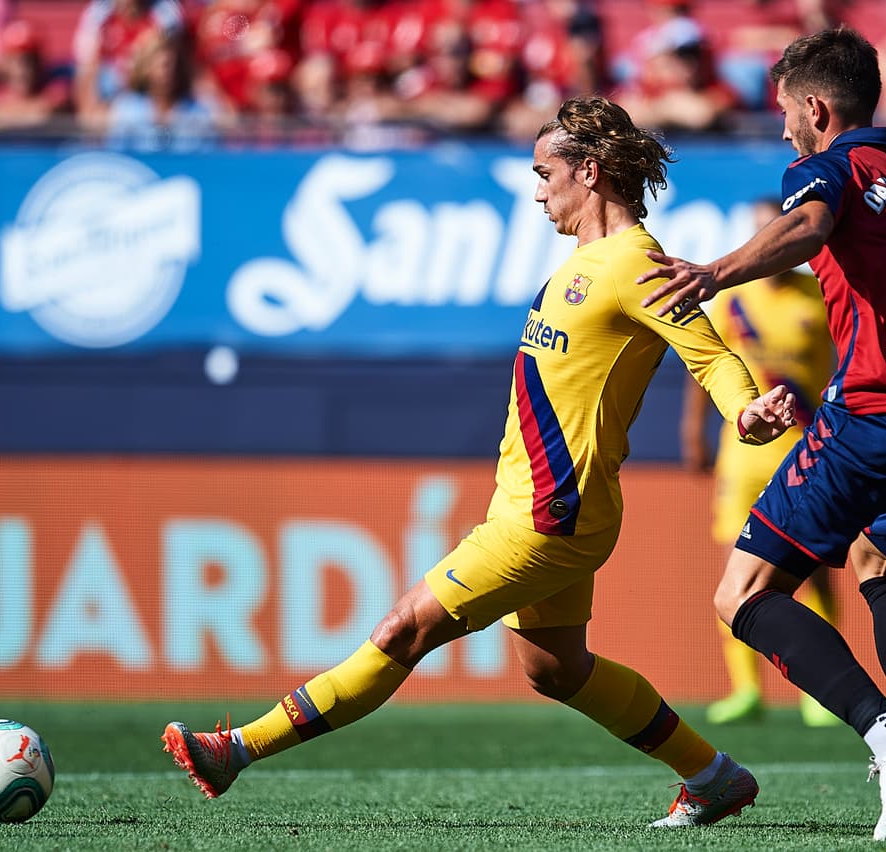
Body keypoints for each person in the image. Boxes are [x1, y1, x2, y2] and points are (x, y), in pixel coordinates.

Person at [163, 94, 799, 829]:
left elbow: (712, 356)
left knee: (403, 629)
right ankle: (713, 776)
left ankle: (236, 749)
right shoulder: (587, 264)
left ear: (588, 173)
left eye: (544, 172)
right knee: (555, 669)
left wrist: (745, 407)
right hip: (534, 505)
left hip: (550, 514)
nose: (536, 191)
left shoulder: (636, 263)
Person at [636, 27, 886, 841]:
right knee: (881, 564)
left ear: (816, 109)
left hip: (876, 410)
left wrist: (712, 272)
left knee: (740, 594)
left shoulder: (831, 167)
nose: (781, 132)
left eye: (784, 115)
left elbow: (806, 228)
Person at [679, 197, 839, 729]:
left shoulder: (816, 298)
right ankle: (746, 688)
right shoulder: (731, 300)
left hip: (804, 449)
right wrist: (692, 430)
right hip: (741, 454)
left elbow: (839, 371)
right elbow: (707, 366)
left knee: (811, 570)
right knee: (736, 566)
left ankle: (817, 689)